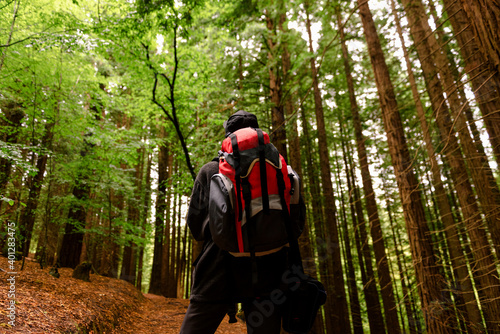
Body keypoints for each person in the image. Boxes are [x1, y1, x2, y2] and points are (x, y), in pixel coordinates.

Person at [180, 110, 304, 334]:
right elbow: (297, 223)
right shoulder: (280, 171)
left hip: (217, 273)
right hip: (270, 274)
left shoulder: (210, 171)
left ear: (228, 138)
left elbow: (196, 228)